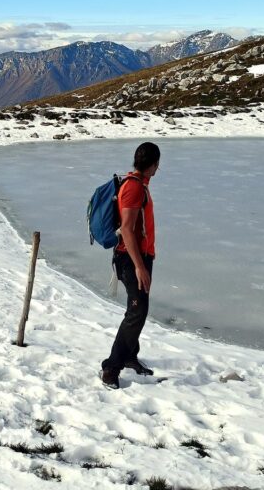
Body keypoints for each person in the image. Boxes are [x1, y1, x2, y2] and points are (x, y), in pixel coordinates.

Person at [101, 141, 160, 389]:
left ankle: (130, 356)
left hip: (138, 256)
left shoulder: (138, 184)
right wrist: (139, 266)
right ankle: (111, 368)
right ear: (153, 164)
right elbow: (126, 228)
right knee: (136, 312)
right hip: (130, 258)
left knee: (138, 309)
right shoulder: (134, 188)